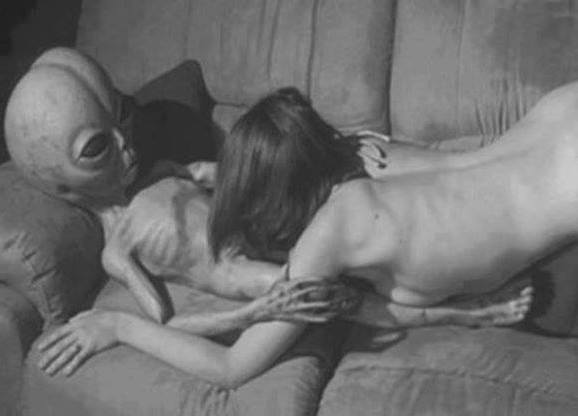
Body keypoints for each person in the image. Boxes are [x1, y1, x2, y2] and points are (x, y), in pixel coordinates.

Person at [32, 76, 535, 387]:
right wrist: (251, 313)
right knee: (336, 296)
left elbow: (233, 174)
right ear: (64, 185)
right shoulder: (117, 250)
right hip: (247, 271)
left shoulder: (165, 168)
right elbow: (166, 321)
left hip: (270, 223)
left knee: (366, 208)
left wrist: (304, 164)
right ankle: (461, 312)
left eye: (121, 122)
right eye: (97, 147)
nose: (126, 146)